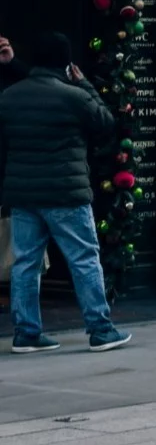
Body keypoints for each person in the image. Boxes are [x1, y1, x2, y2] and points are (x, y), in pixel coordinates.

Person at [1, 32, 130, 353]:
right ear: (66, 63)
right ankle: (100, 329)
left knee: (25, 263)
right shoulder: (73, 96)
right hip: (66, 193)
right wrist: (84, 83)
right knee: (84, 258)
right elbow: (105, 122)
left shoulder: (9, 97)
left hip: (23, 194)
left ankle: (27, 333)